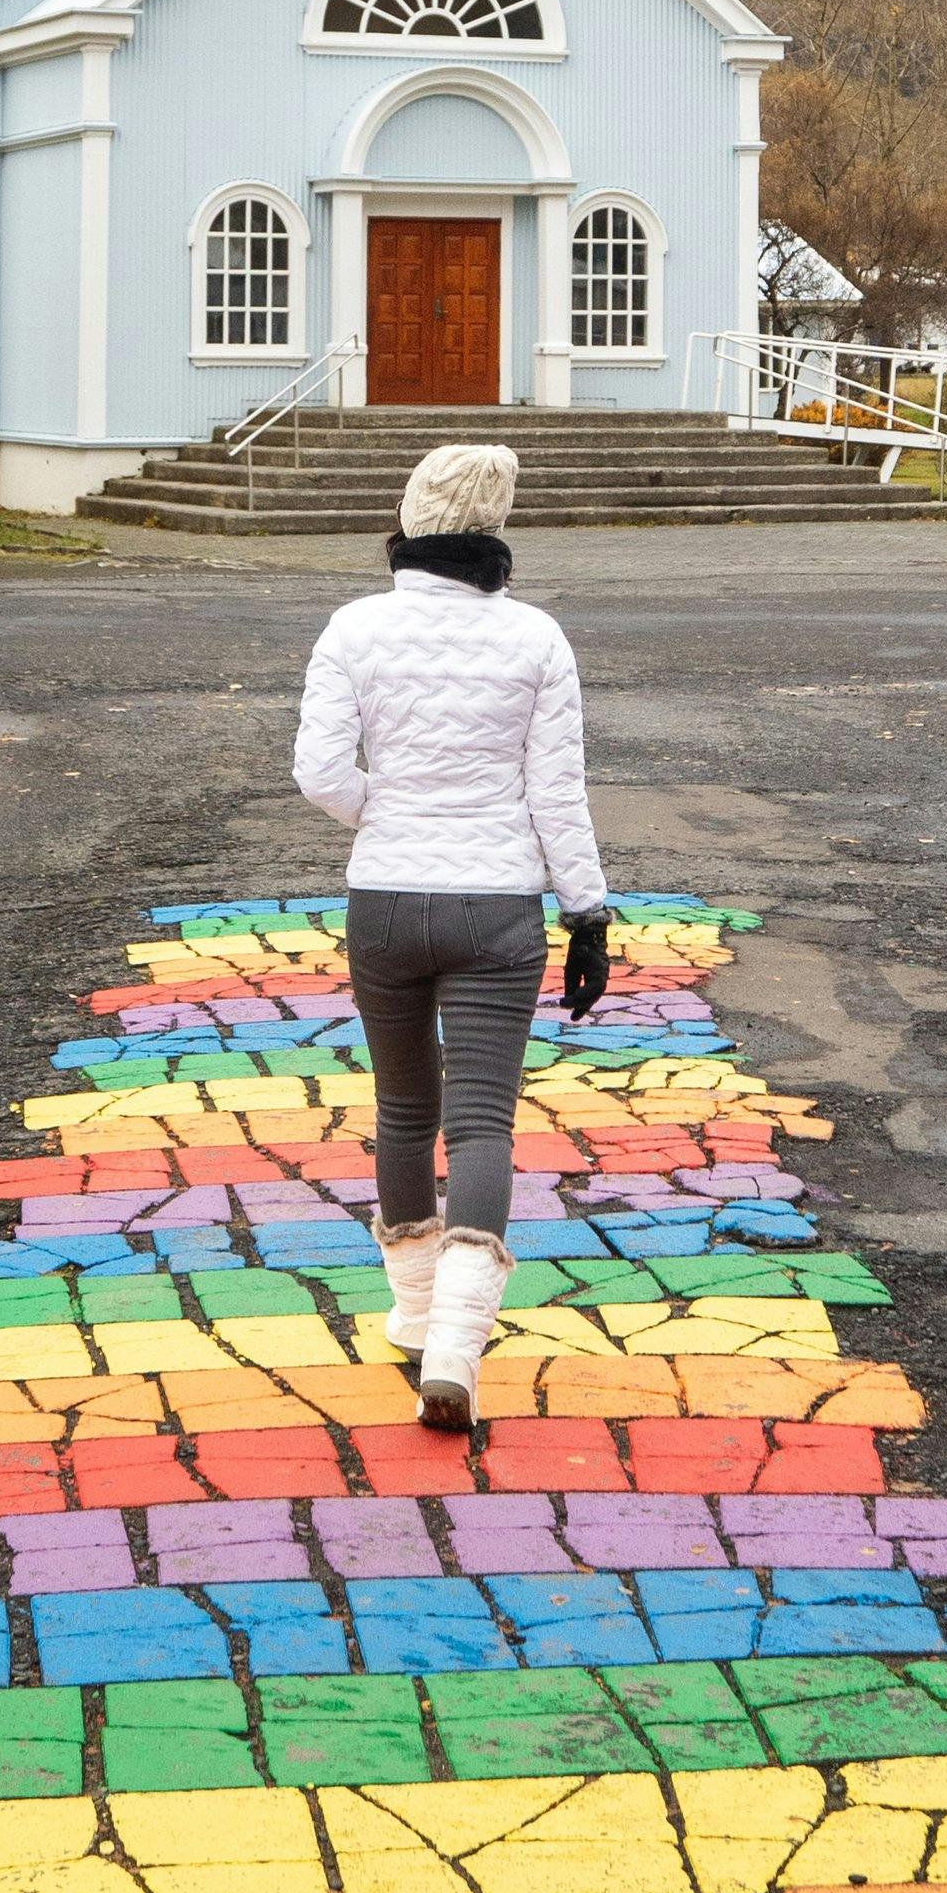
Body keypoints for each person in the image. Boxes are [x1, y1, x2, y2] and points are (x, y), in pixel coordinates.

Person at [291, 438, 613, 1430]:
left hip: (384, 900)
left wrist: (388, 815)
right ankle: (458, 1350)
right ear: (496, 526)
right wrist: (588, 912)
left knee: (401, 1109)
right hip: (497, 909)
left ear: (412, 518)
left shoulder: (353, 629)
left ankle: (415, 1310)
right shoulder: (537, 641)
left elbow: (319, 772)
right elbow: (556, 792)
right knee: (482, 1123)